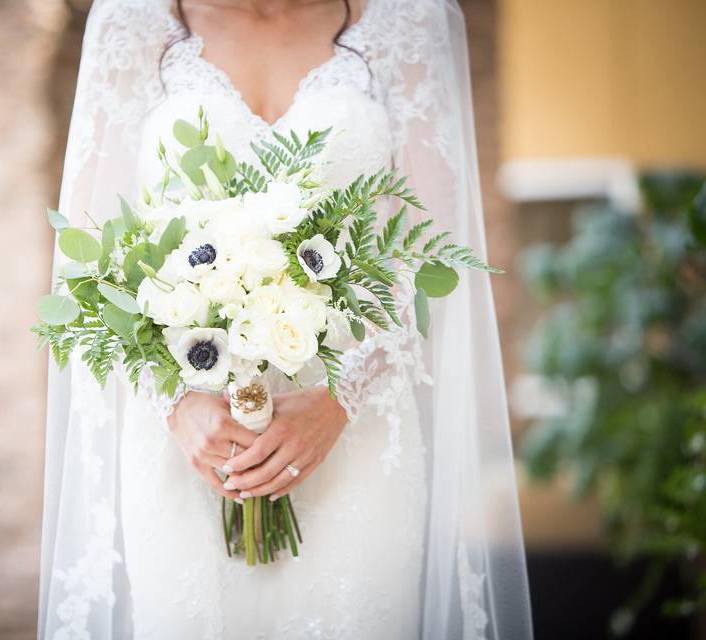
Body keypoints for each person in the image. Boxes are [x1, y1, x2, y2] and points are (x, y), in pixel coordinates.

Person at [38, 1, 533, 638]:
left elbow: (433, 254)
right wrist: (174, 404)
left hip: (354, 439)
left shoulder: (405, 20)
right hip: (189, 447)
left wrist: (342, 396)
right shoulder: (135, 21)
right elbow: (92, 255)